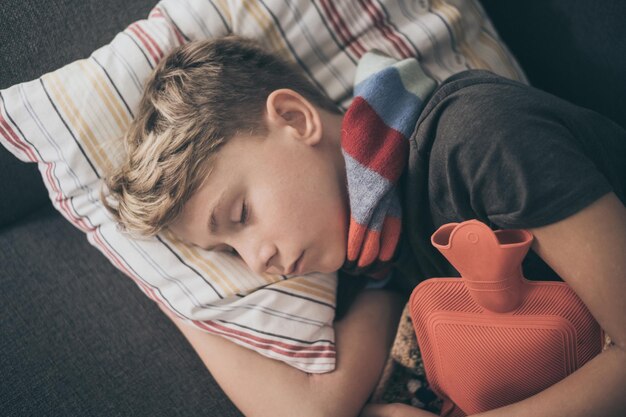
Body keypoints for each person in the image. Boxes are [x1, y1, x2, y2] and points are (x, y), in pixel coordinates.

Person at [101, 36, 626, 417]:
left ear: (294, 118)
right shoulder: (375, 257)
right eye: (229, 252)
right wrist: (176, 299)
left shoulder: (479, 139)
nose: (256, 259)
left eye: (240, 216)